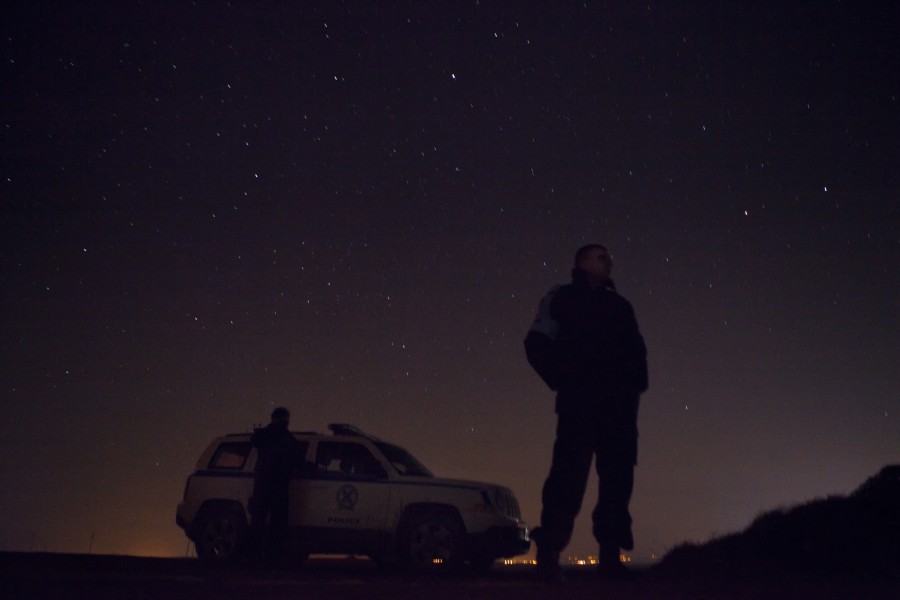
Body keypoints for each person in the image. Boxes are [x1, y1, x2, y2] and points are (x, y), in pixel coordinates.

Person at [524, 244, 648, 581]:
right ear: (582, 261)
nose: (609, 261)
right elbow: (536, 342)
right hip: (579, 404)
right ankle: (548, 555)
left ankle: (610, 558)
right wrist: (565, 378)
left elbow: (636, 353)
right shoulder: (561, 297)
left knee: (618, 482)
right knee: (567, 477)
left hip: (618, 410)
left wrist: (632, 390)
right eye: (601, 256)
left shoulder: (621, 306)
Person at [247, 406, 304, 565]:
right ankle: (271, 556)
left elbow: (255, 441)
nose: (286, 422)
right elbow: (297, 458)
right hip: (278, 485)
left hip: (265, 485)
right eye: (285, 418)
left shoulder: (264, 436)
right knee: (276, 522)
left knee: (261, 520)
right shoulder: (285, 438)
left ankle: (256, 556)